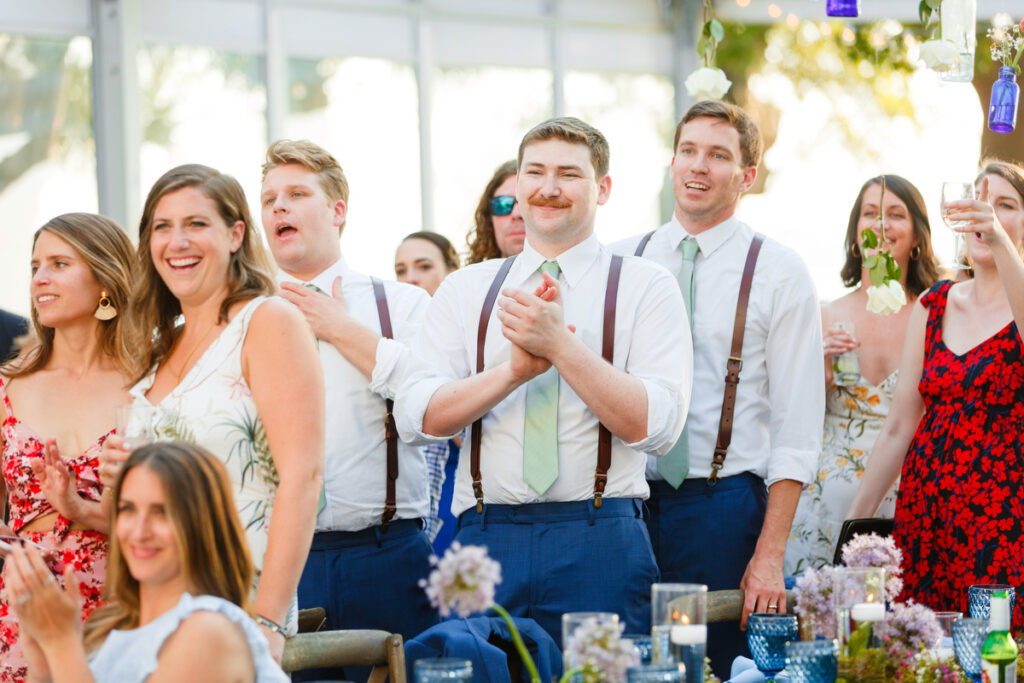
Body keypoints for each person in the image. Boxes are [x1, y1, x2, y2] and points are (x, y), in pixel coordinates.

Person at [396, 117, 692, 645]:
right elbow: (416, 417)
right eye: (535, 172)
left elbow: (658, 428)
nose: (548, 188)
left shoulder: (647, 286)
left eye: (568, 174)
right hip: (485, 540)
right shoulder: (467, 289)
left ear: (602, 189)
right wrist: (510, 373)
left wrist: (562, 347)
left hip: (601, 537)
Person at [611, 100, 824, 676]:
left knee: (716, 666)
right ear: (672, 161)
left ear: (747, 176)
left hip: (722, 512)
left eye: (718, 155)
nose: (698, 167)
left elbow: (797, 429)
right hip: (623, 513)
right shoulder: (619, 261)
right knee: (636, 666)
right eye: (688, 151)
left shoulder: (780, 270)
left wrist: (769, 555)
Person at [101, 164, 324, 662]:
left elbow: (304, 478)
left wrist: (265, 621)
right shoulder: (158, 348)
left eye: (196, 224)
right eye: (162, 227)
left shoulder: (267, 322)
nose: (177, 241)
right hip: (154, 609)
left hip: (238, 608)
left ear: (235, 234)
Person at [259, 140, 436, 679]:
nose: (278, 208)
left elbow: (431, 409)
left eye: (296, 194)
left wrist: (341, 329)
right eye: (268, 199)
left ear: (338, 211)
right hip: (281, 565)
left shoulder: (401, 305)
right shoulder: (246, 315)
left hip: (387, 557)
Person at [848, 160, 1024, 626]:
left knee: (997, 652)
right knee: (925, 653)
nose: (986, 213)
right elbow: (900, 426)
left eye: (1004, 205)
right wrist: (850, 532)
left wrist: (1002, 243)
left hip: (1004, 514)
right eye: (979, 201)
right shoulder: (935, 302)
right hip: (927, 516)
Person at [7, 441, 288, 682]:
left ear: (201, 525)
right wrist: (42, 665)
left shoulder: (208, 630)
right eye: (128, 509)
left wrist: (61, 643)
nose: (139, 531)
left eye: (161, 512)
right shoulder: (112, 627)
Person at [0, 213, 135, 682]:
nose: (40, 278)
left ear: (105, 278)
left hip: (122, 606)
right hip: (20, 607)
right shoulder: (7, 385)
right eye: (35, 266)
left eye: (59, 264)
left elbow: (174, 513)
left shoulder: (150, 385)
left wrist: (79, 509)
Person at [784, 175, 940, 574]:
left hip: (911, 498)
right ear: (855, 237)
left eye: (895, 214)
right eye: (870, 213)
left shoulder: (938, 315)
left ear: (918, 236)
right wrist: (818, 369)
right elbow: (795, 419)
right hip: (825, 503)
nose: (881, 225)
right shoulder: (825, 314)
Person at [394, 231, 461, 553]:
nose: (411, 279)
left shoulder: (467, 334)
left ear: (450, 272)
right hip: (407, 491)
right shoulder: (388, 340)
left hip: (458, 482)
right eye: (401, 270)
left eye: (423, 266)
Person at [465, 160, 525, 264]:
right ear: (488, 217)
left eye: (525, 203)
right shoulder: (466, 279)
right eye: (502, 204)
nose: (516, 214)